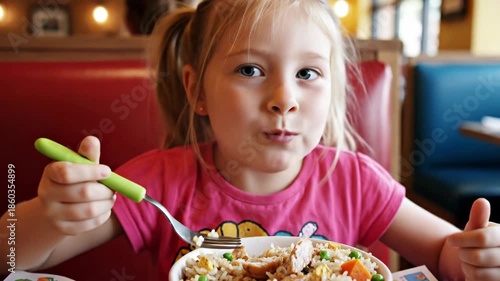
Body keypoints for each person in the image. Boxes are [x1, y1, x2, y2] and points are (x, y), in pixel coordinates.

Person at [1, 0, 499, 280]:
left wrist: (471, 256)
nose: (284, 98)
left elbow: (443, 254)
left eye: (307, 72)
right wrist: (49, 216)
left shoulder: (355, 181)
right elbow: (11, 253)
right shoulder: (156, 184)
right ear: (197, 90)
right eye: (251, 69)